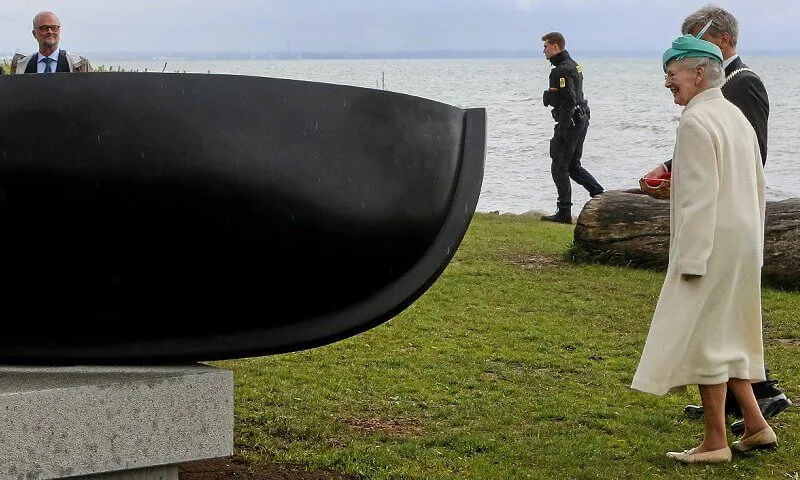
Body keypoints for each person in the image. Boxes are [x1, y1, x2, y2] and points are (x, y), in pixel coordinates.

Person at [643, 5, 790, 436]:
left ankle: (715, 439)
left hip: (717, 236)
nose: (667, 81)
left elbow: (732, 177)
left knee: (709, 334)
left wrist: (690, 257)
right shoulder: (725, 110)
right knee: (727, 333)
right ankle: (757, 422)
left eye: (673, 72)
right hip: (739, 233)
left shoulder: (734, 93)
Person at [539, 32, 603, 224]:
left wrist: (564, 127)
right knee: (573, 165)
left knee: (559, 166)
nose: (543, 50)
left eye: (546, 47)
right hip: (582, 118)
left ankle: (564, 212)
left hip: (572, 121)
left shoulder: (562, 70)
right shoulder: (574, 64)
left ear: (556, 47)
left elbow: (569, 99)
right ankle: (599, 193)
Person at [11, 11, 92, 74]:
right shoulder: (22, 66)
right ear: (34, 34)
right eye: (44, 28)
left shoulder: (78, 65)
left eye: (54, 28)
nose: (50, 32)